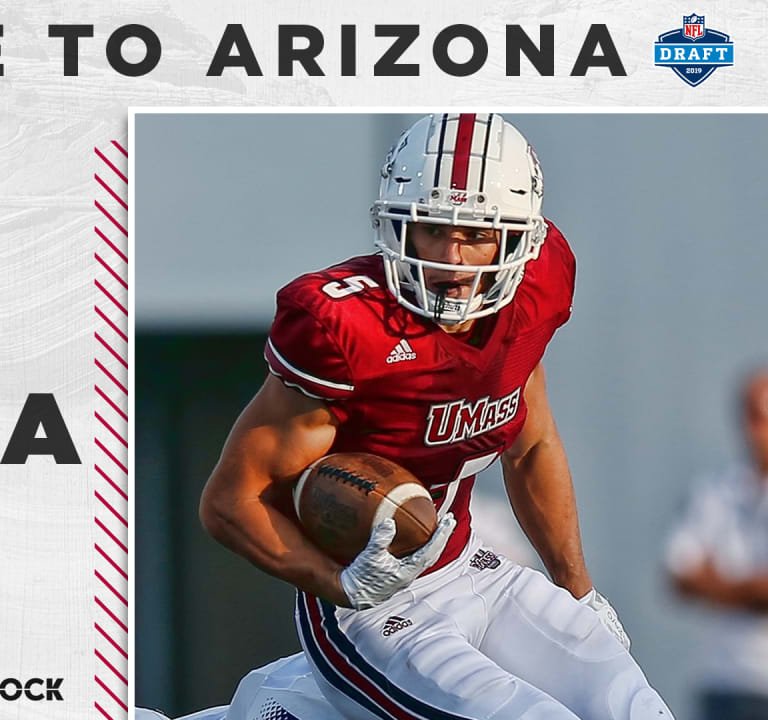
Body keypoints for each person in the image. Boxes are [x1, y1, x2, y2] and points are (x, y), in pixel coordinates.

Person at [198, 114, 674, 719]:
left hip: (473, 567)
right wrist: (338, 583)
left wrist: (578, 590)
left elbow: (529, 447)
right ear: (395, 227)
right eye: (430, 229)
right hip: (372, 609)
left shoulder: (535, 290)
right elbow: (230, 501)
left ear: (518, 241)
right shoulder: (344, 327)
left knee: (637, 711)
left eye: (475, 234)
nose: (451, 259)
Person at [666, 369, 768, 720]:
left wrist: (719, 583)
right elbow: (680, 577)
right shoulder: (717, 490)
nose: (758, 431)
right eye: (753, 417)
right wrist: (749, 590)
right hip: (725, 679)